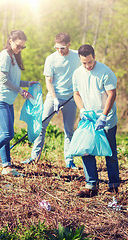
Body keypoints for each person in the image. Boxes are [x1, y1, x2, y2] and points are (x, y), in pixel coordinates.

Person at [0, 30, 37, 176]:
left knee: (6, 133)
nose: (20, 49)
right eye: (18, 45)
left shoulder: (14, 57)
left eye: (23, 47)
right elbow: (3, 80)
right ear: (10, 41)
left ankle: (7, 167)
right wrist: (21, 91)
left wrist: (28, 83)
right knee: (7, 134)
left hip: (8, 101)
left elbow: (13, 80)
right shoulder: (4, 56)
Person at [23, 33, 81, 169]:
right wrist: (55, 99)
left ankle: (69, 160)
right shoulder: (51, 59)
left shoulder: (77, 56)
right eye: (56, 48)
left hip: (71, 98)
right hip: (53, 96)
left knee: (68, 130)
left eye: (62, 48)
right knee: (41, 125)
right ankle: (34, 157)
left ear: (69, 45)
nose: (59, 51)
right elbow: (48, 82)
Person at [72, 44, 120, 197]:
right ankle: (91, 184)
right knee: (86, 150)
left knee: (110, 152)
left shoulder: (105, 72)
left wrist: (104, 116)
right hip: (88, 119)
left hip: (106, 119)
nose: (87, 66)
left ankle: (113, 185)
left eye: (90, 62)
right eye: (84, 63)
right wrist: (82, 109)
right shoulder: (77, 73)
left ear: (94, 57)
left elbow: (112, 94)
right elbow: (76, 94)